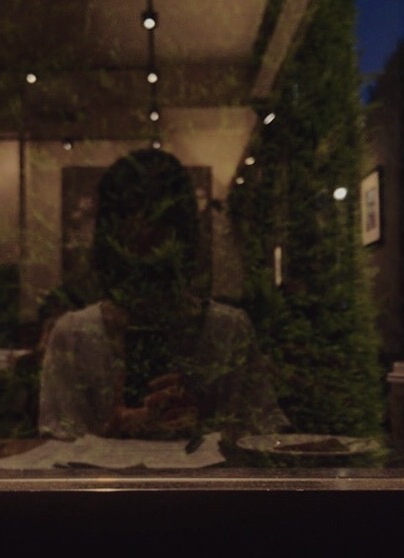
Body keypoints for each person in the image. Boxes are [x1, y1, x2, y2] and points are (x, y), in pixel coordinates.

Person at [38, 148, 290, 442]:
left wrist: (200, 427)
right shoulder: (74, 336)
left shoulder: (228, 330)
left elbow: (264, 433)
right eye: (133, 222)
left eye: (159, 225)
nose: (145, 237)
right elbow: (263, 435)